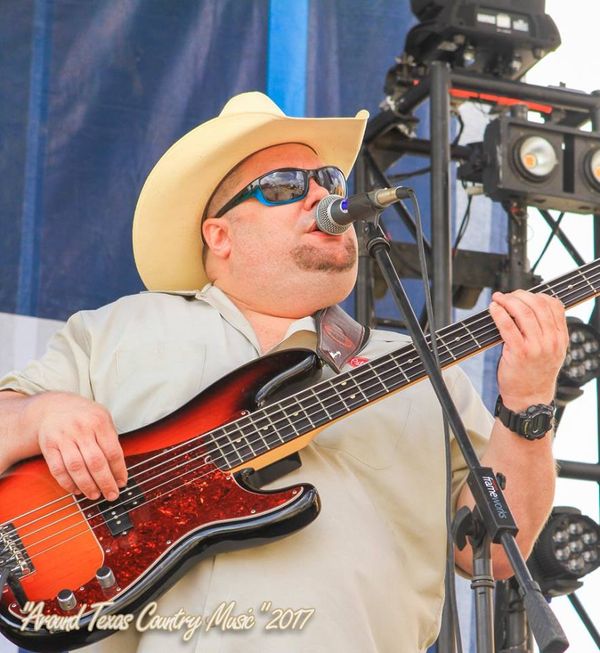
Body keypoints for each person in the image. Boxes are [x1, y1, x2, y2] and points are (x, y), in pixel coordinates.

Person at [0, 92, 568, 653]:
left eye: (330, 181)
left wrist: (528, 403)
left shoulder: (420, 367)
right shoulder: (116, 329)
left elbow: (492, 552)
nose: (322, 195)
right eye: (284, 186)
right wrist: (41, 414)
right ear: (219, 235)